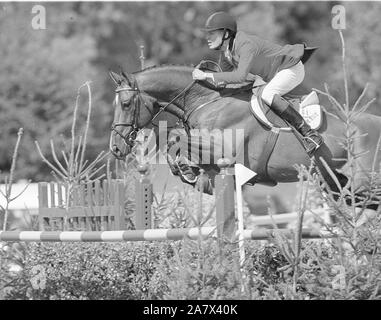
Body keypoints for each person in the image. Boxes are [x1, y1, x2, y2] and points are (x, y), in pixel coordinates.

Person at [192, 11, 323, 156]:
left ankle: (310, 133)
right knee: (253, 94)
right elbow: (224, 83)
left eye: (212, 33)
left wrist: (207, 75)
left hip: (290, 68)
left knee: (268, 94)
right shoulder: (227, 53)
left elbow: (239, 76)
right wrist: (203, 82)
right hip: (272, 75)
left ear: (226, 34)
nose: (207, 37)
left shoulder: (245, 44)